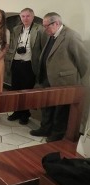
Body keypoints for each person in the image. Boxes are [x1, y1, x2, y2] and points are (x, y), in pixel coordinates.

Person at [30, 12, 89, 142]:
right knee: (46, 104)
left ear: (56, 23)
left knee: (61, 109)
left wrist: (71, 77)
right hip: (46, 78)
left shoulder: (71, 36)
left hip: (63, 80)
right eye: (44, 26)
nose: (45, 29)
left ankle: (57, 133)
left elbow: (83, 61)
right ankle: (45, 128)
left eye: (47, 26)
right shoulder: (51, 34)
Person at [6, 8, 47, 125]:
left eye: (28, 16)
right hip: (16, 62)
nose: (25, 18)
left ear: (33, 17)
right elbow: (13, 45)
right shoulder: (16, 29)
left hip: (29, 64)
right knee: (15, 89)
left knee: (27, 90)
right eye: (23, 16)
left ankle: (25, 114)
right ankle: (17, 112)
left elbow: (43, 48)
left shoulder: (39, 29)